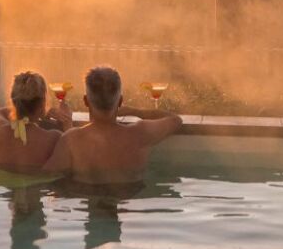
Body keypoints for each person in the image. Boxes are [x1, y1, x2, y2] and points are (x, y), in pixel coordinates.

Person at [43, 65, 182, 184]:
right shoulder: (140, 133)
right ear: (120, 101)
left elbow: (43, 177)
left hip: (87, 197)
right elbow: (176, 120)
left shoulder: (71, 140)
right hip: (129, 199)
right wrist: (135, 111)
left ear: (86, 101)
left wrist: (67, 125)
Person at [0, 70, 72, 173]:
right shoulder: (54, 138)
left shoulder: (1, 131)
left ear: (13, 101)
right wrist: (67, 122)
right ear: (42, 103)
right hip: (39, 187)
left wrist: (35, 109)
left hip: (6, 185)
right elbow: (75, 158)